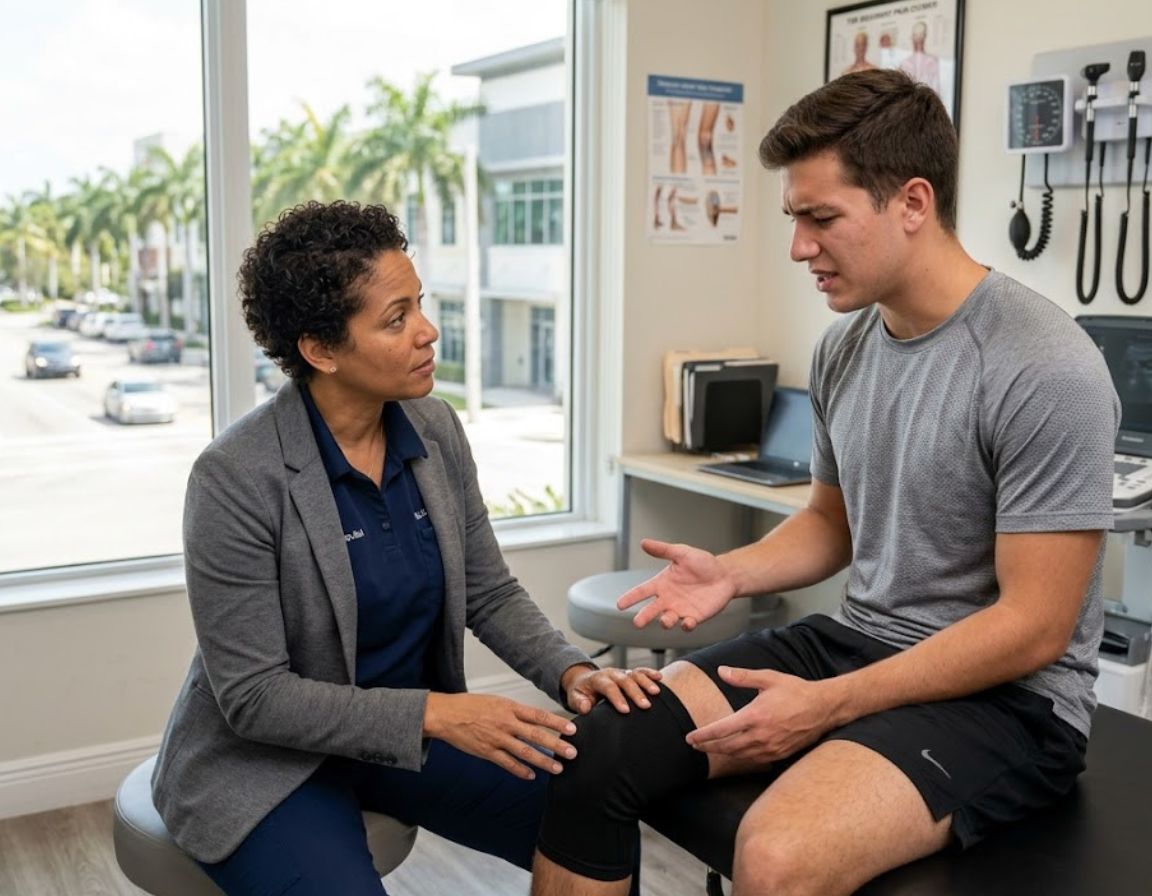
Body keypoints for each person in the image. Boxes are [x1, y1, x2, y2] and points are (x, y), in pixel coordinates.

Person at [531, 69, 1118, 896]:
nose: (800, 247)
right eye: (794, 219)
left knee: (775, 857)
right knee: (594, 747)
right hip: (861, 638)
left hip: (1011, 702)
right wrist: (733, 572)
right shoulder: (846, 347)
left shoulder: (1044, 366)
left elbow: (1033, 629)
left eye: (822, 218)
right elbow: (831, 524)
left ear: (913, 203)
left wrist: (833, 702)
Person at [150, 200, 660, 896]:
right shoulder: (236, 476)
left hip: (401, 740)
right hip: (270, 759)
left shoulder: (435, 428)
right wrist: (440, 714)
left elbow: (487, 589)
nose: (427, 332)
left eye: (420, 304)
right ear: (321, 350)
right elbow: (255, 697)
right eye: (396, 319)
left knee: (592, 812)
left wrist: (569, 673)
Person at [899, 20, 941, 93]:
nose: (918, 40)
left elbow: (936, 87)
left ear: (924, 37)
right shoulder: (905, 62)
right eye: (916, 35)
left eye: (920, 36)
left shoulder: (932, 61)